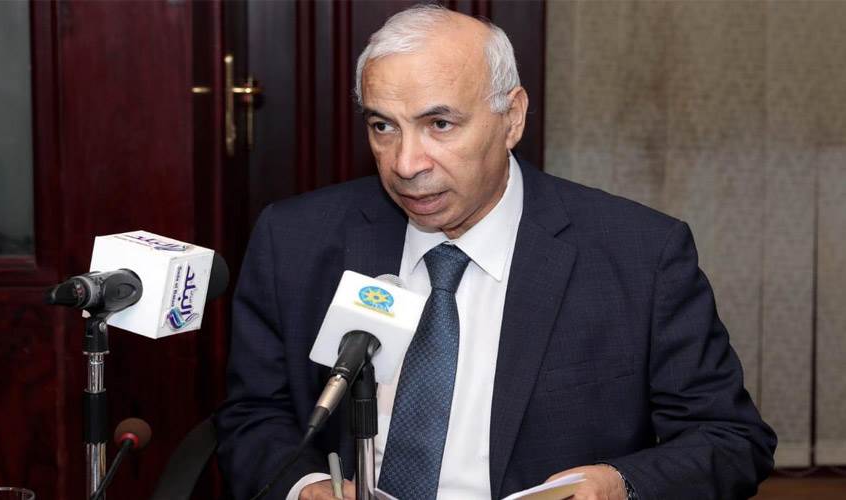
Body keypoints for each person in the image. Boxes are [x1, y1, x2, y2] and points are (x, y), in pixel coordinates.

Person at [215, 5, 776, 500]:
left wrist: (619, 485)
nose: (406, 163)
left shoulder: (639, 254)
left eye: (440, 124)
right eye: (383, 126)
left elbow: (730, 440)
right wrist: (306, 487)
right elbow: (253, 416)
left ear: (513, 117)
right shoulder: (295, 240)